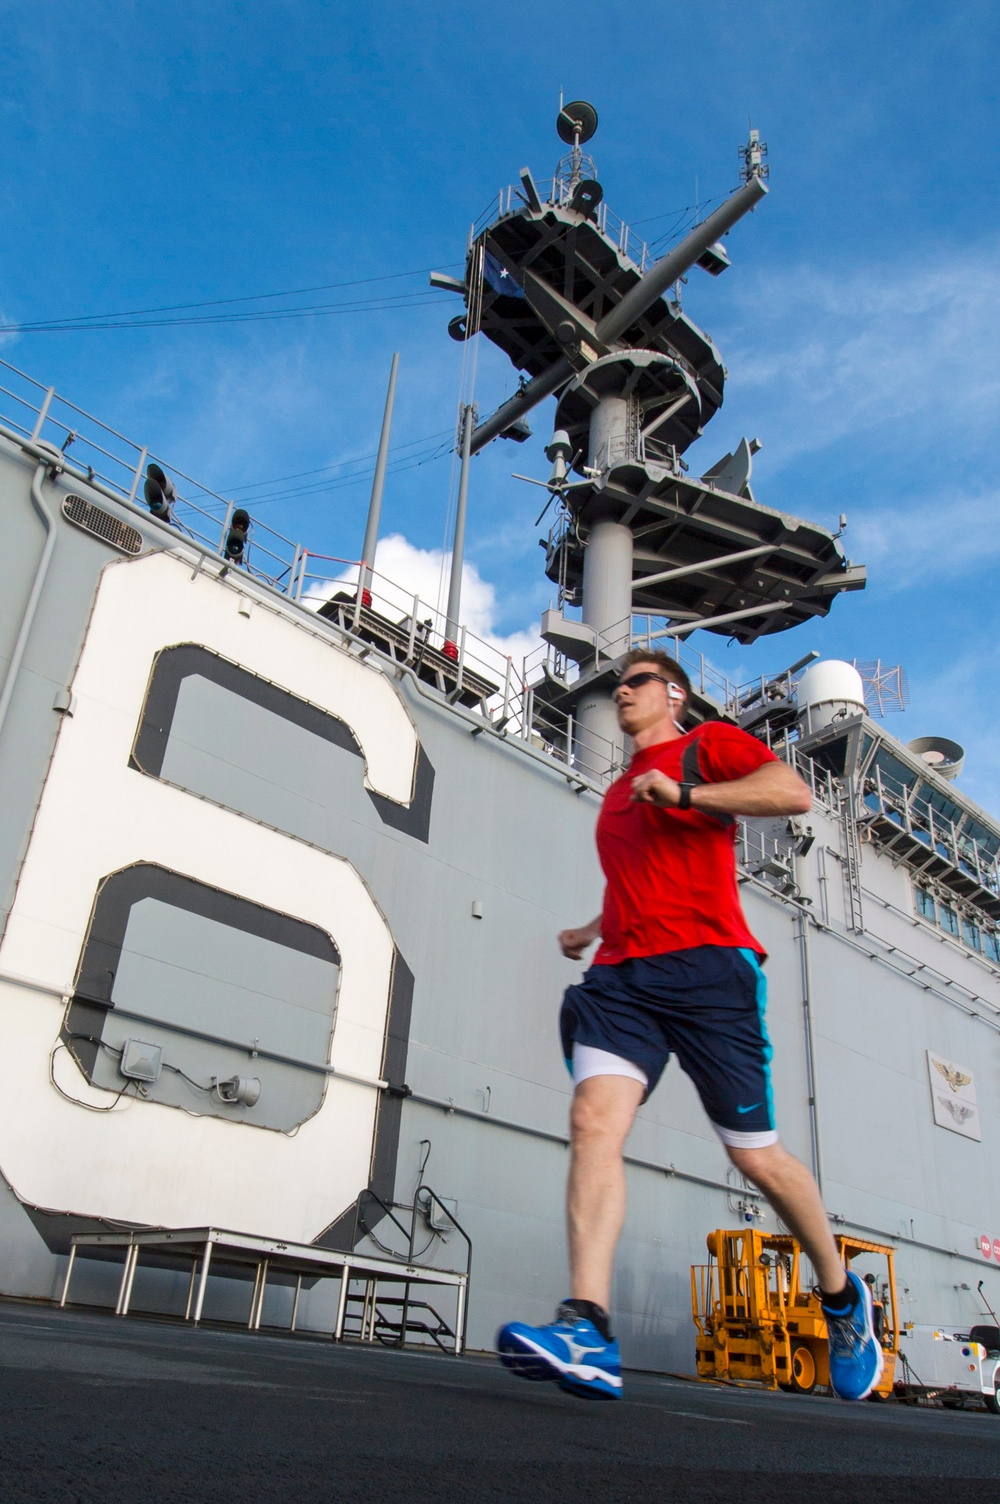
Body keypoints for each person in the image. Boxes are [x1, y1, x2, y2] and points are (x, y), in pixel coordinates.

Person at [497, 650, 882, 1402]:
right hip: (623, 976)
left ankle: (841, 1298)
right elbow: (639, 882)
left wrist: (686, 791)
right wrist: (588, 928)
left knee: (758, 1160)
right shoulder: (615, 796)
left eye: (634, 682)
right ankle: (587, 1329)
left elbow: (792, 791)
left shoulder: (707, 746)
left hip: (710, 971)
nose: (620, 695)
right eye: (617, 687)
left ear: (673, 693)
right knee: (593, 1122)